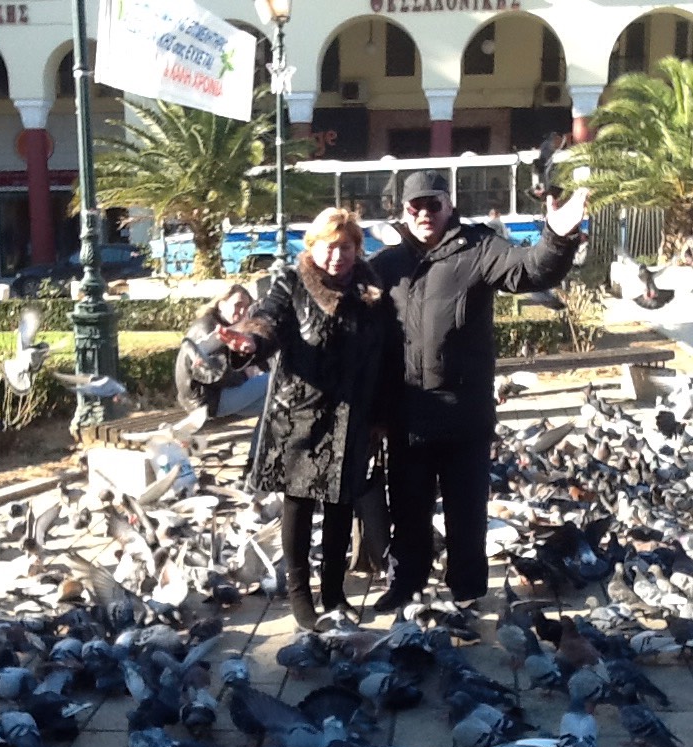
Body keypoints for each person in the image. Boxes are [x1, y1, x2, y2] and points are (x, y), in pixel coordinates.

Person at [370, 169, 588, 614]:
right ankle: (406, 583)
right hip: (408, 414)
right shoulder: (387, 264)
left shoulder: (479, 248)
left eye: (433, 204)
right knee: (407, 511)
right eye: (415, 206)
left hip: (464, 414)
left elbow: (531, 270)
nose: (425, 214)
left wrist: (557, 237)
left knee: (466, 513)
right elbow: (343, 312)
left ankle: (467, 590)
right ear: (403, 211)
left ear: (449, 205)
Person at [228, 208, 395, 631]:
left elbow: (385, 354)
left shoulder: (371, 289)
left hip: (353, 414)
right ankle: (300, 594)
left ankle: (334, 593)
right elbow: (268, 320)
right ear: (313, 247)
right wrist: (249, 342)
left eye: (346, 247)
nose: (338, 256)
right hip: (300, 416)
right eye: (329, 247)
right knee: (299, 506)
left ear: (358, 249)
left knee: (341, 505)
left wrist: (382, 414)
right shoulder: (292, 282)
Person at [174, 284, 269, 472]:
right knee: (274, 381)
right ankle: (255, 464)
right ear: (221, 304)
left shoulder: (226, 326)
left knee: (273, 406)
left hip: (213, 397)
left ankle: (254, 465)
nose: (241, 311)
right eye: (237, 305)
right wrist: (245, 375)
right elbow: (210, 373)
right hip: (206, 402)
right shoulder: (208, 329)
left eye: (246, 307)